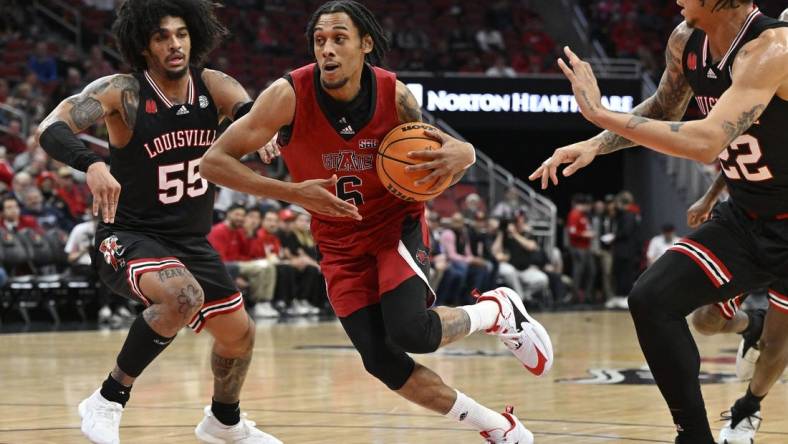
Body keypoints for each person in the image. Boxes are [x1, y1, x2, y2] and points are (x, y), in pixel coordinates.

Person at [201, 1, 554, 442]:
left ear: (365, 45)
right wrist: (292, 193)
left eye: (339, 39)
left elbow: (437, 157)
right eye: (319, 40)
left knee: (414, 332)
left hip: (393, 227)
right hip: (336, 241)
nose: (327, 49)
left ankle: (496, 310)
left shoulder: (396, 95)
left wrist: (464, 155)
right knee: (381, 361)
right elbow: (213, 163)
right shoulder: (288, 95)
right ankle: (496, 426)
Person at [530, 2, 788, 442]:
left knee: (777, 348)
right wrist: (596, 143)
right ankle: (693, 435)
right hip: (746, 215)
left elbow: (708, 141)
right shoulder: (686, 40)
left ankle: (748, 404)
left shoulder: (773, 49)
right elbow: (665, 109)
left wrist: (601, 113)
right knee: (651, 299)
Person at [35, 1, 281, 443]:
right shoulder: (122, 92)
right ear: (143, 45)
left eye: (182, 34)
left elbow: (251, 112)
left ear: (196, 37)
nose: (174, 44)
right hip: (127, 235)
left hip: (190, 240)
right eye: (162, 36)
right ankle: (107, 399)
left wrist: (260, 130)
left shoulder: (214, 86)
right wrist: (91, 163)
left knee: (239, 335)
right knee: (183, 297)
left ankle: (224, 421)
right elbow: (51, 127)